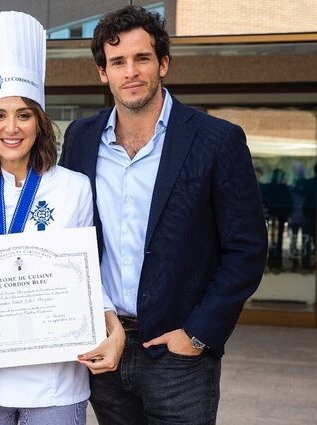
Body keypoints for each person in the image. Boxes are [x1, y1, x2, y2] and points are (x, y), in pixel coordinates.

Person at [58, 6, 268, 425]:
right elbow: (68, 231)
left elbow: (247, 249)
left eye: (142, 58)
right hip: (107, 347)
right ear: (103, 73)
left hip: (179, 356)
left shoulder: (216, 140)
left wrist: (197, 335)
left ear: (163, 63)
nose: (130, 71)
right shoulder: (80, 139)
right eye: (117, 62)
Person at [0, 11, 125, 425]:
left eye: (23, 114)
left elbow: (88, 272)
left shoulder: (74, 188)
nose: (10, 128)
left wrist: (112, 326)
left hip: (57, 376)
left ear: (39, 122)